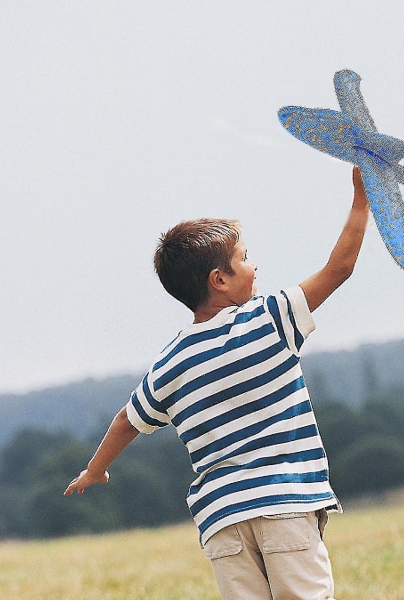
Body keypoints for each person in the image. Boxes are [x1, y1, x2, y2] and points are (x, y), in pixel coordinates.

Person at [64, 166, 370, 599]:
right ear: (219, 280)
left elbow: (126, 421)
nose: (255, 264)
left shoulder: (171, 361)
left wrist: (94, 470)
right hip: (285, 503)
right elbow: (340, 267)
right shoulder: (270, 319)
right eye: (245, 258)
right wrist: (362, 199)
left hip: (222, 519)